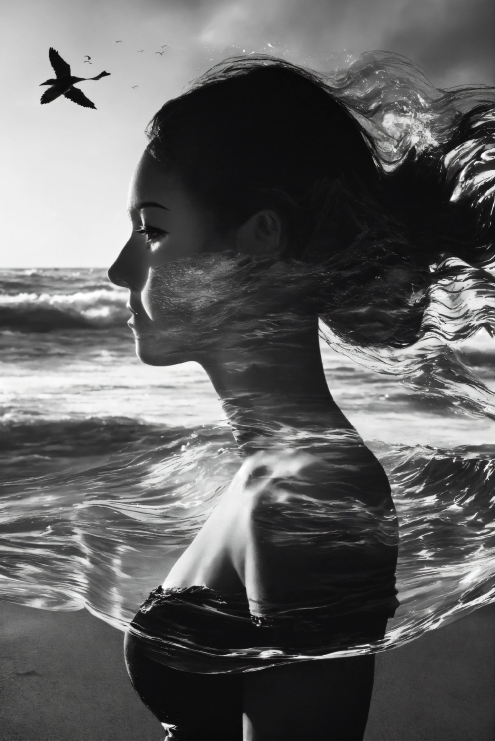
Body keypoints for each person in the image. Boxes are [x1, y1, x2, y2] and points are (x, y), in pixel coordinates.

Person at [108, 55, 494, 740]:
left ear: (259, 240)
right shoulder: (275, 476)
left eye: (152, 230)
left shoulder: (311, 501)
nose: (120, 270)